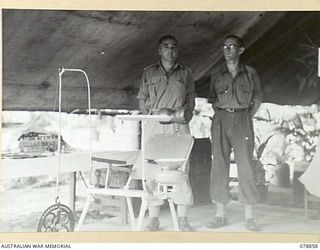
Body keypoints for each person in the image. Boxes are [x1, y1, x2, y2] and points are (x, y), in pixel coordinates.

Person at [136, 35, 197, 231]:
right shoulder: (148, 73)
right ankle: (153, 217)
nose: (170, 50)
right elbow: (142, 100)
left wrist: (181, 117)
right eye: (166, 46)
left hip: (178, 123)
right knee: (152, 170)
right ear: (159, 51)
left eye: (173, 46)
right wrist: (151, 121)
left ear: (177, 51)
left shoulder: (186, 73)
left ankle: (183, 218)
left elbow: (191, 102)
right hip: (154, 124)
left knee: (181, 169)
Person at [207, 35, 262, 231]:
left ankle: (249, 217)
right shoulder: (216, 74)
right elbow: (213, 100)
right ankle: (220, 215)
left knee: (246, 166)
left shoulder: (250, 73)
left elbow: (257, 99)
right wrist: (225, 114)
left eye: (232, 46)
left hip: (242, 120)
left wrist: (243, 116)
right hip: (221, 120)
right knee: (219, 165)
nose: (228, 49)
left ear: (240, 50)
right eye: (225, 46)